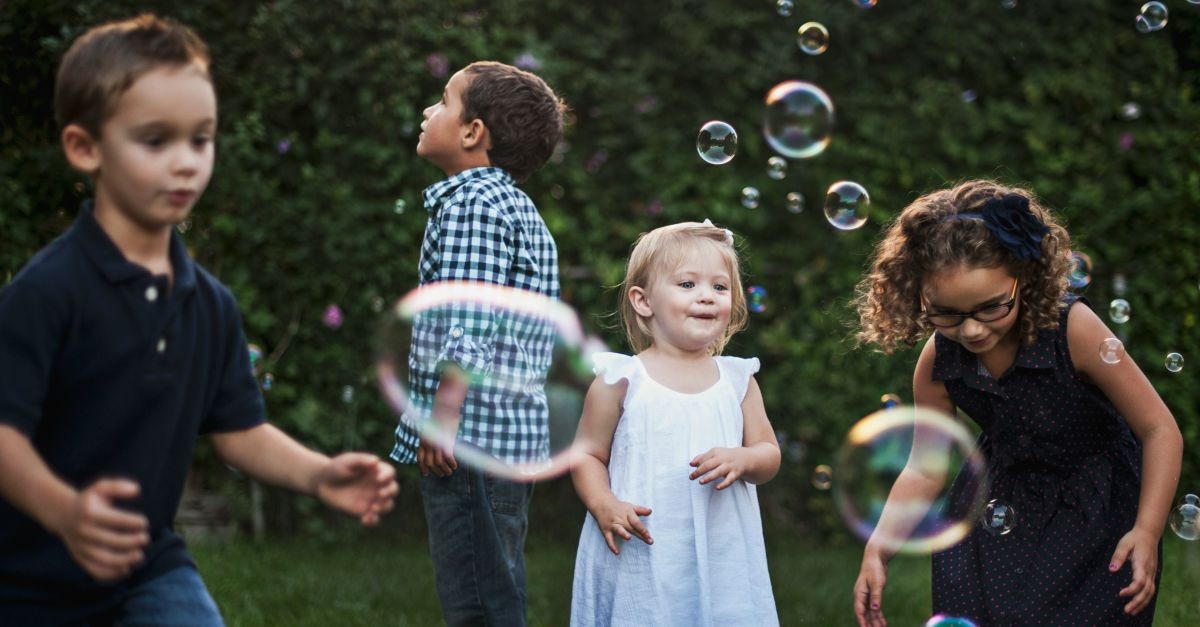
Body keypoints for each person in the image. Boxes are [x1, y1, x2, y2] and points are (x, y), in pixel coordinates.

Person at [0, 14, 398, 626]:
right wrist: (65, 512)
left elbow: (239, 429)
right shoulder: (48, 293)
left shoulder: (209, 305)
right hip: (26, 576)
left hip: (146, 567)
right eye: (156, 141)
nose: (186, 162)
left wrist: (319, 474)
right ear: (85, 147)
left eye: (201, 139)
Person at [850, 180, 1183, 626]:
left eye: (991, 307)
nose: (971, 330)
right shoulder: (938, 361)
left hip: (1095, 507)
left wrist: (1146, 530)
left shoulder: (1073, 331)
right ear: (918, 295)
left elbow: (1159, 429)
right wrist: (879, 548)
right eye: (946, 313)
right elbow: (925, 468)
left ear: (1024, 278)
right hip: (996, 506)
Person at [388, 60, 566, 626]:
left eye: (442, 100)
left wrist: (443, 416)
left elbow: (470, 318)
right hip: (503, 439)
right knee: (496, 585)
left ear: (473, 132)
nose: (427, 111)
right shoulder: (512, 206)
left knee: (477, 603)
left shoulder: (473, 205)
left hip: (470, 439)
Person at [570, 221, 781, 626]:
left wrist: (744, 459)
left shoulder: (737, 380)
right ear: (643, 300)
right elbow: (586, 455)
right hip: (642, 549)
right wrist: (604, 504)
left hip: (722, 551)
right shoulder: (621, 379)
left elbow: (768, 453)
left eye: (720, 287)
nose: (706, 296)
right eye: (687, 284)